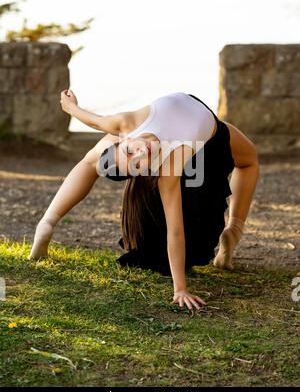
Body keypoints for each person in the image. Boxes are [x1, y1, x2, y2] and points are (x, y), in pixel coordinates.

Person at [29, 90, 260, 312]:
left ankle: (47, 222)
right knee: (249, 161)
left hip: (195, 126)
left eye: (130, 151)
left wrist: (71, 107)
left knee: (94, 159)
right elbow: (175, 230)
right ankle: (234, 231)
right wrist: (180, 289)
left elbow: (92, 120)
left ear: (122, 138)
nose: (141, 154)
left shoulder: (123, 124)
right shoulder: (170, 167)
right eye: (138, 165)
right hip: (210, 134)